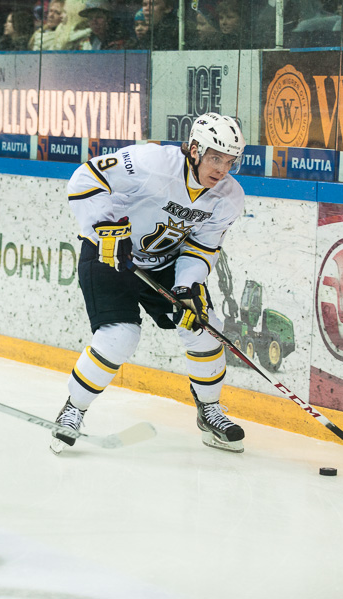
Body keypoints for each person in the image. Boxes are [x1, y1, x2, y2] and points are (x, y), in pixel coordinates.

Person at [50, 113, 248, 455]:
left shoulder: (228, 197)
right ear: (195, 149)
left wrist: (187, 287)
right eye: (215, 157)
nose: (222, 169)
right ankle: (73, 410)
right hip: (110, 255)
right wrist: (105, 227)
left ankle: (209, 412)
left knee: (204, 327)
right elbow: (87, 177)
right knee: (119, 337)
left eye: (230, 161)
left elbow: (201, 249)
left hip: (165, 264)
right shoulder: (152, 162)